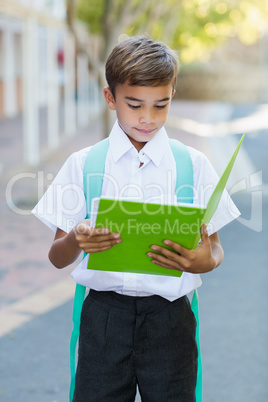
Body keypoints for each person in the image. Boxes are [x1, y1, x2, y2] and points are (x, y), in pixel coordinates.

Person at [32, 36, 240, 401]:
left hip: (170, 320)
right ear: (110, 98)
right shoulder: (83, 165)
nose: (148, 118)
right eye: (134, 105)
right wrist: (76, 241)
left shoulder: (193, 165)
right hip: (103, 318)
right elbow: (56, 256)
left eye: (161, 105)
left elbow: (216, 251)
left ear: (173, 94)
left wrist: (202, 260)